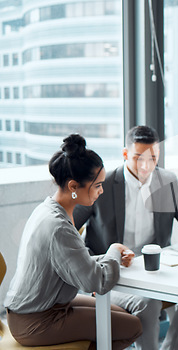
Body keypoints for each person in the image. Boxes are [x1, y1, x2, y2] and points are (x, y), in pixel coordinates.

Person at [74, 125, 178, 350]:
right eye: (138, 158)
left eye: (152, 158)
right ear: (125, 154)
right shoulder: (102, 184)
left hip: (155, 272)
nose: (146, 166)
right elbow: (68, 228)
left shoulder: (167, 182)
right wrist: (89, 267)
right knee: (148, 302)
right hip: (114, 275)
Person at [3, 134, 142, 349]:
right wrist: (113, 250)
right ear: (73, 186)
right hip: (35, 321)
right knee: (132, 326)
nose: (101, 191)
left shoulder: (48, 209)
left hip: (39, 308)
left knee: (119, 315)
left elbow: (71, 260)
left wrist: (107, 257)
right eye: (97, 185)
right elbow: (98, 283)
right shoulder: (58, 226)